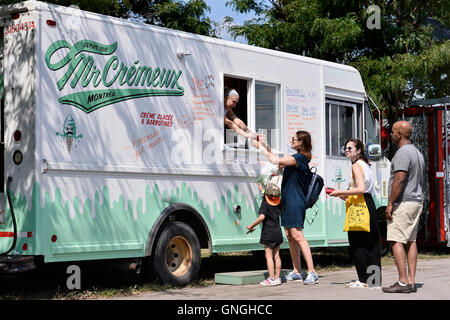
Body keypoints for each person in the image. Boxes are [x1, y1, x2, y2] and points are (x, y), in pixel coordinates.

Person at [252, 130, 319, 285]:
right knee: (289, 235)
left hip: (296, 200)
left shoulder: (300, 158)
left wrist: (260, 148)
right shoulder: (295, 156)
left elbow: (275, 160)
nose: (291, 141)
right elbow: (277, 158)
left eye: (293, 139)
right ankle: (297, 270)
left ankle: (312, 271)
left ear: (300, 142)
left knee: (298, 235)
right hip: (288, 200)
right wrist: (263, 144)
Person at [329, 138, 382, 288]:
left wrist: (340, 191)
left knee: (358, 244)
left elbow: (360, 189)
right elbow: (364, 189)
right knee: (371, 243)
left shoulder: (356, 166)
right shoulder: (366, 165)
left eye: (350, 148)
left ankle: (363, 280)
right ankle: (374, 280)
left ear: (359, 150)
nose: (346, 151)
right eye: (345, 148)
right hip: (368, 203)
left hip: (360, 205)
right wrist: (343, 195)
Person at [382, 121, 425, 294]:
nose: (391, 134)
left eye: (392, 131)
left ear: (399, 134)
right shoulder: (417, 153)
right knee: (411, 240)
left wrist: (390, 203)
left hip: (404, 202)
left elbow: (399, 179)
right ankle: (411, 281)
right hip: (417, 201)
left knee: (396, 239)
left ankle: (402, 281)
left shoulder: (402, 153)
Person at [246, 183, 283, 286]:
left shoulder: (265, 203)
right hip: (278, 233)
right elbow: (271, 196)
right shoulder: (279, 202)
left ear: (267, 196)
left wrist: (252, 226)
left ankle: (271, 279)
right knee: (277, 256)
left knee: (269, 256)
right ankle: (277, 278)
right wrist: (262, 189)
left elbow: (262, 217)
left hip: (268, 233)